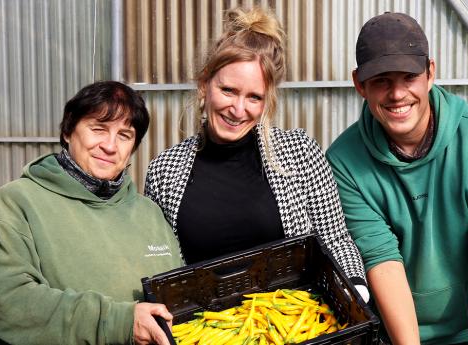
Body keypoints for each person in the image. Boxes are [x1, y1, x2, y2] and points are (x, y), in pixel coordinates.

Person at [326, 12, 468, 345]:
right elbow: (383, 263)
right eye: (381, 80)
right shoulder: (345, 162)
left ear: (430, 73)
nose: (397, 94)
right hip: (399, 334)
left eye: (408, 77)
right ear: (360, 84)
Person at [144, 7, 368, 292]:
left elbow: (335, 239)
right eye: (228, 90)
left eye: (253, 97)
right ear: (204, 85)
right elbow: (159, 264)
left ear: (266, 101)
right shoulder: (165, 171)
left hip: (295, 323)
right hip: (205, 330)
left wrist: (356, 289)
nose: (238, 110)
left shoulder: (299, 153)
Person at [0, 81, 183, 345]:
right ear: (68, 131)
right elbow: (5, 299)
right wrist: (119, 322)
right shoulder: (20, 201)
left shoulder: (148, 214)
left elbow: (177, 300)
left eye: (124, 135)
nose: (110, 146)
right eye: (98, 129)